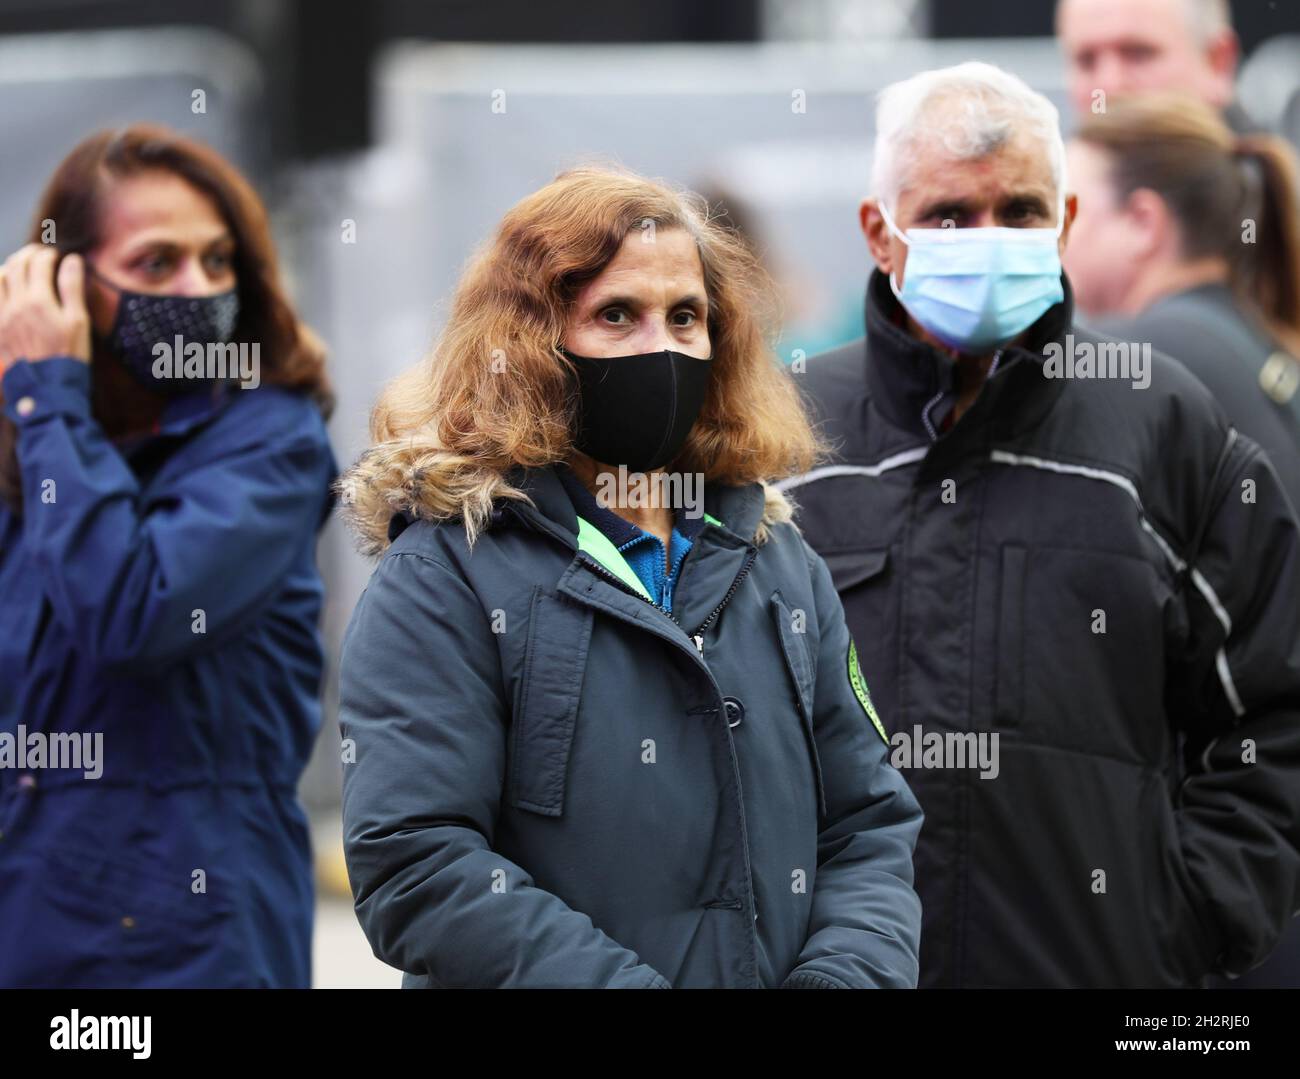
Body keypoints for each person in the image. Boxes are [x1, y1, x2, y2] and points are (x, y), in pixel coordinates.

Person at [336, 165, 923, 989]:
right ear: (531, 346)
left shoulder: (780, 559)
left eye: (687, 316)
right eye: (618, 314)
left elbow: (867, 824)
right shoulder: (443, 575)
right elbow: (416, 861)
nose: (663, 345)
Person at [784, 62, 1300, 988]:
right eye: (949, 215)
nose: (987, 241)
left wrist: (1187, 920)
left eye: (1019, 211)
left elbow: (1276, 705)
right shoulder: (791, 436)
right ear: (881, 233)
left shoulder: (1159, 422)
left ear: (1063, 224)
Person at [0, 125, 338, 987]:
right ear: (67, 287)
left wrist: (49, 403)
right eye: (158, 264)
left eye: (218, 261)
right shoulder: (30, 460)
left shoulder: (272, 443)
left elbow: (133, 609)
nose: (198, 290)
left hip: (192, 946)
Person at [1066, 96, 1300, 987]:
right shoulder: (1255, 343)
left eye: (1065, 205)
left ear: (1142, 222)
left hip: (1228, 909)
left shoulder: (1151, 362)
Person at [1056, 0, 1261, 133]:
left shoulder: (1278, 194)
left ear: (1217, 62)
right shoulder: (1065, 193)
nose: (1109, 86)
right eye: (1086, 60)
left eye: (1138, 53)